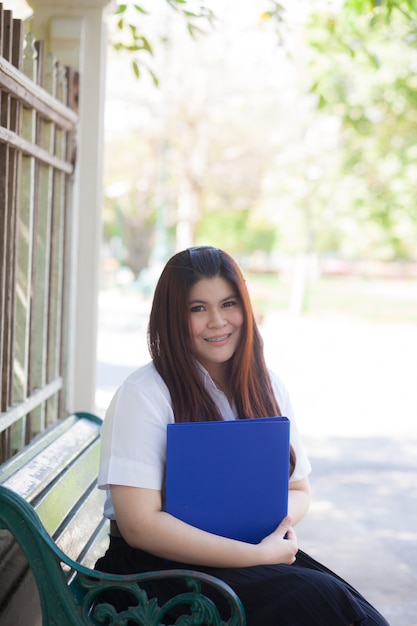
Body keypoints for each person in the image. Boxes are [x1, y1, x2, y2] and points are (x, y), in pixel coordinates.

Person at [95, 245, 390, 626]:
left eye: (229, 303)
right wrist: (257, 556)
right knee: (325, 604)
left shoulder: (266, 386)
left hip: (247, 554)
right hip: (156, 575)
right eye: (197, 309)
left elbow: (299, 491)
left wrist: (273, 538)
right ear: (171, 318)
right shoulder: (145, 393)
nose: (217, 321)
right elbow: (139, 526)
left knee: (357, 612)